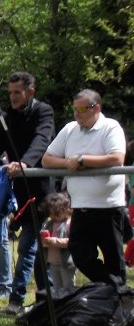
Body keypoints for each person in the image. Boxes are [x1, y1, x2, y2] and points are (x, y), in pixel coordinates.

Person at [0, 72, 55, 314]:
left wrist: (25, 163)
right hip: (19, 193)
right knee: (33, 249)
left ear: (30, 92)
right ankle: (46, 298)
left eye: (18, 92)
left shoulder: (43, 112)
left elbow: (41, 140)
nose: (13, 97)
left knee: (27, 246)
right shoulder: (7, 118)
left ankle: (17, 300)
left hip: (42, 192)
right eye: (10, 93)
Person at [41, 88, 127, 288]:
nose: (76, 114)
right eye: (74, 110)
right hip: (80, 208)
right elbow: (47, 159)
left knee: (114, 260)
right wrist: (69, 163)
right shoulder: (70, 129)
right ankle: (114, 289)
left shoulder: (110, 127)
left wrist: (83, 160)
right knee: (80, 255)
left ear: (96, 108)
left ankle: (119, 300)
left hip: (108, 208)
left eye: (81, 110)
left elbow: (116, 158)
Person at [40, 191, 76, 294]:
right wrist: (43, 241)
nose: (53, 217)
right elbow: (45, 242)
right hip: (53, 262)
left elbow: (72, 241)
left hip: (66, 263)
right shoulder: (49, 224)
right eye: (50, 214)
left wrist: (54, 241)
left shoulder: (69, 224)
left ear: (66, 210)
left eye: (56, 214)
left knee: (68, 287)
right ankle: (59, 307)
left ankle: (69, 306)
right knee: (57, 288)